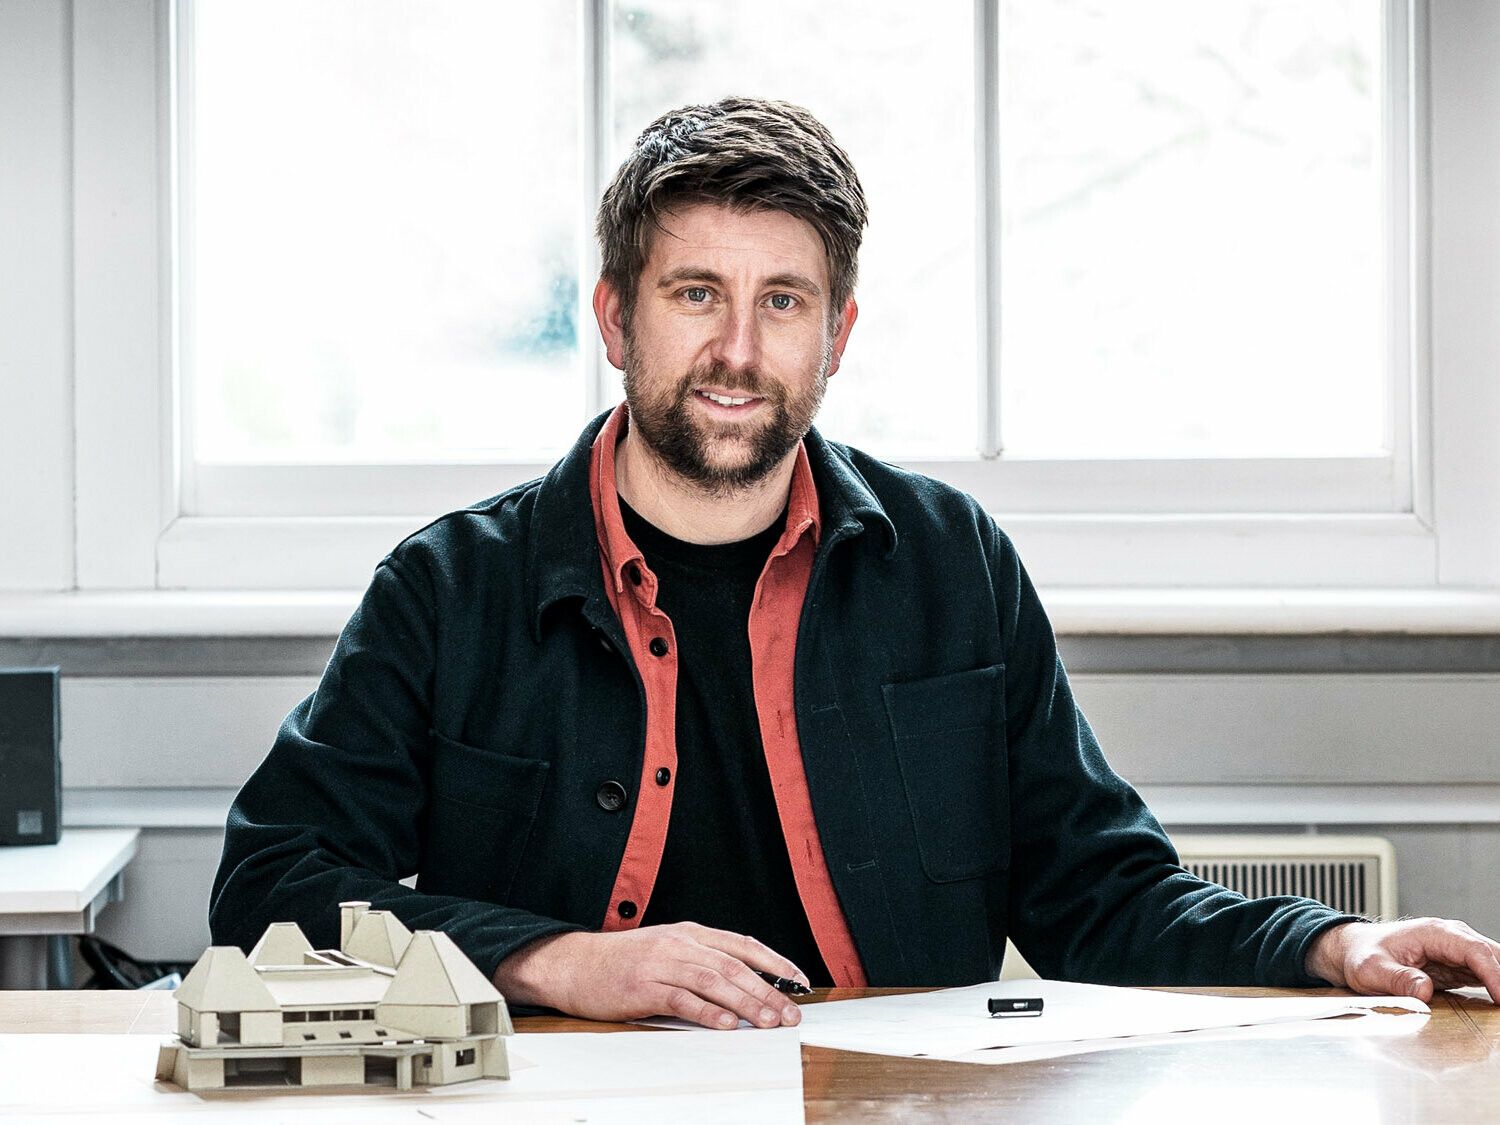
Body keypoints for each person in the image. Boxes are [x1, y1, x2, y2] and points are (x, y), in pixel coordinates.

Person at [210, 97, 1500, 1031]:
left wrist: (1332, 943)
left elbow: (1098, 887)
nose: (739, 348)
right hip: (569, 1101)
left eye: (783, 301)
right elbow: (271, 883)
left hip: (899, 1108)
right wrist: (555, 962)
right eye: (695, 292)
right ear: (613, 316)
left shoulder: (953, 566)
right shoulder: (447, 590)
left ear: (839, 334)